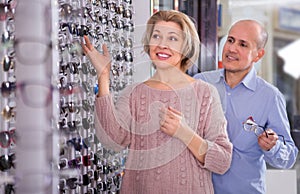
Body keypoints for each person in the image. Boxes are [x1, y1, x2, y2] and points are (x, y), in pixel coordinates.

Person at [82, 10, 232, 194]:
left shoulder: (205, 93)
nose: (162, 45)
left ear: (186, 46)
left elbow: (222, 161)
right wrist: (104, 77)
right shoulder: (134, 93)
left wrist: (184, 133)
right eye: (156, 36)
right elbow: (112, 141)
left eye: (172, 38)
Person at [194, 19, 299, 194]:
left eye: (243, 44)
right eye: (230, 40)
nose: (232, 48)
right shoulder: (201, 83)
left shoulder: (270, 97)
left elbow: (288, 158)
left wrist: (272, 146)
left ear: (258, 54)